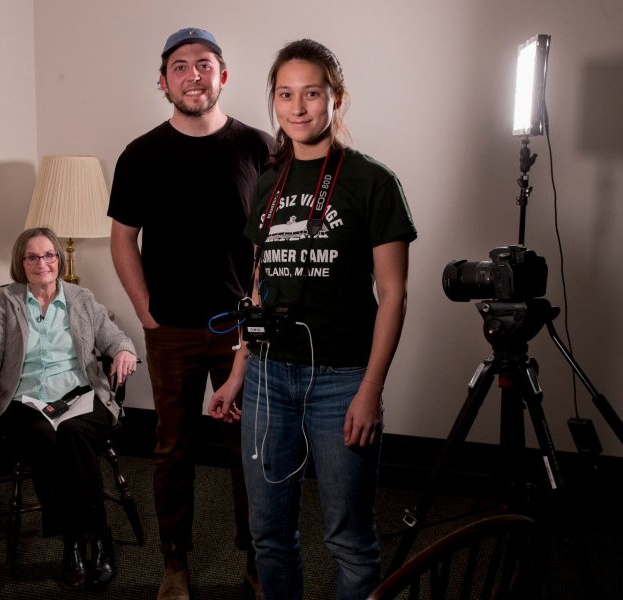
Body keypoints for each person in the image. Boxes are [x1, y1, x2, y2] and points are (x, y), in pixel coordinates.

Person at [208, 39, 417, 600]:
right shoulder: (268, 182)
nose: (297, 108)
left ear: (336, 99)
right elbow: (259, 289)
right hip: (268, 380)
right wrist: (236, 372)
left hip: (341, 379)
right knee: (269, 533)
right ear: (274, 102)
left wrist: (370, 390)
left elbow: (393, 295)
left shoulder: (372, 182)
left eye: (311, 94)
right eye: (285, 95)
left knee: (348, 538)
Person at [108, 27, 273, 600]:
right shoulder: (140, 154)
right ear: (163, 82)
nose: (192, 75)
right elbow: (123, 238)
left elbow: (274, 239)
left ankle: (258, 559)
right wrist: (144, 310)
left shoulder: (259, 147)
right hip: (171, 328)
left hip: (239, 330)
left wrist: (256, 308)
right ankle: (174, 562)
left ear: (222, 77)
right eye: (180, 66)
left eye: (204, 65)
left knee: (249, 448)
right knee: (172, 448)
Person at [0, 227, 137, 589]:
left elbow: (115, 337)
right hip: (25, 400)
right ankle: (79, 540)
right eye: (32, 256)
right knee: (46, 437)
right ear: (21, 262)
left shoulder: (82, 299)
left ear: (59, 259)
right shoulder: (5, 302)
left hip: (80, 395)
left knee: (72, 433)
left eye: (49, 255)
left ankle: (89, 538)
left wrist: (124, 351)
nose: (42, 263)